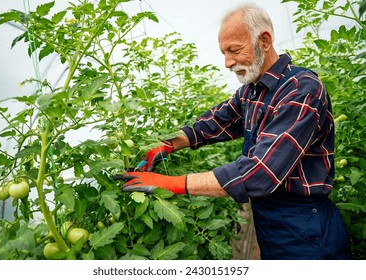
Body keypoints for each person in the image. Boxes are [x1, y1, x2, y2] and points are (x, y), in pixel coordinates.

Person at [115, 3, 351, 260]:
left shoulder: (301, 90)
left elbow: (259, 173)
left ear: (264, 41)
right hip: (270, 220)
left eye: (234, 50)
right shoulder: (251, 90)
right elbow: (213, 123)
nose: (227, 62)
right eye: (223, 52)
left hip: (306, 226)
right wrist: (168, 144)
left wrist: (168, 183)